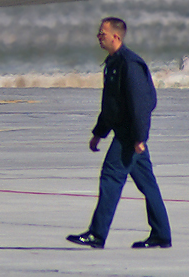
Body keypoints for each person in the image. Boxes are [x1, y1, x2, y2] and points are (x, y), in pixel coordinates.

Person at [67, 17, 172, 249]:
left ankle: (97, 234)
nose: (98, 36)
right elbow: (112, 105)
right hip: (126, 133)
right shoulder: (114, 63)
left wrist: (139, 137)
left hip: (128, 136)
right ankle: (162, 234)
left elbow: (142, 103)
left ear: (116, 36)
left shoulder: (130, 63)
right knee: (148, 184)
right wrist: (99, 133)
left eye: (102, 32)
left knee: (110, 178)